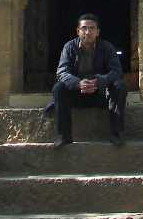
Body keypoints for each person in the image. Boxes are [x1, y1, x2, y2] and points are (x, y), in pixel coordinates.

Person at [50, 13, 126, 149]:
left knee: (119, 86)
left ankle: (116, 133)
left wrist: (99, 81)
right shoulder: (69, 47)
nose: (88, 32)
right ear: (78, 31)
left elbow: (116, 72)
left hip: (100, 95)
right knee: (58, 88)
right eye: (84, 28)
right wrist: (78, 83)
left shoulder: (107, 47)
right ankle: (63, 136)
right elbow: (61, 72)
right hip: (77, 94)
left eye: (92, 28)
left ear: (98, 32)